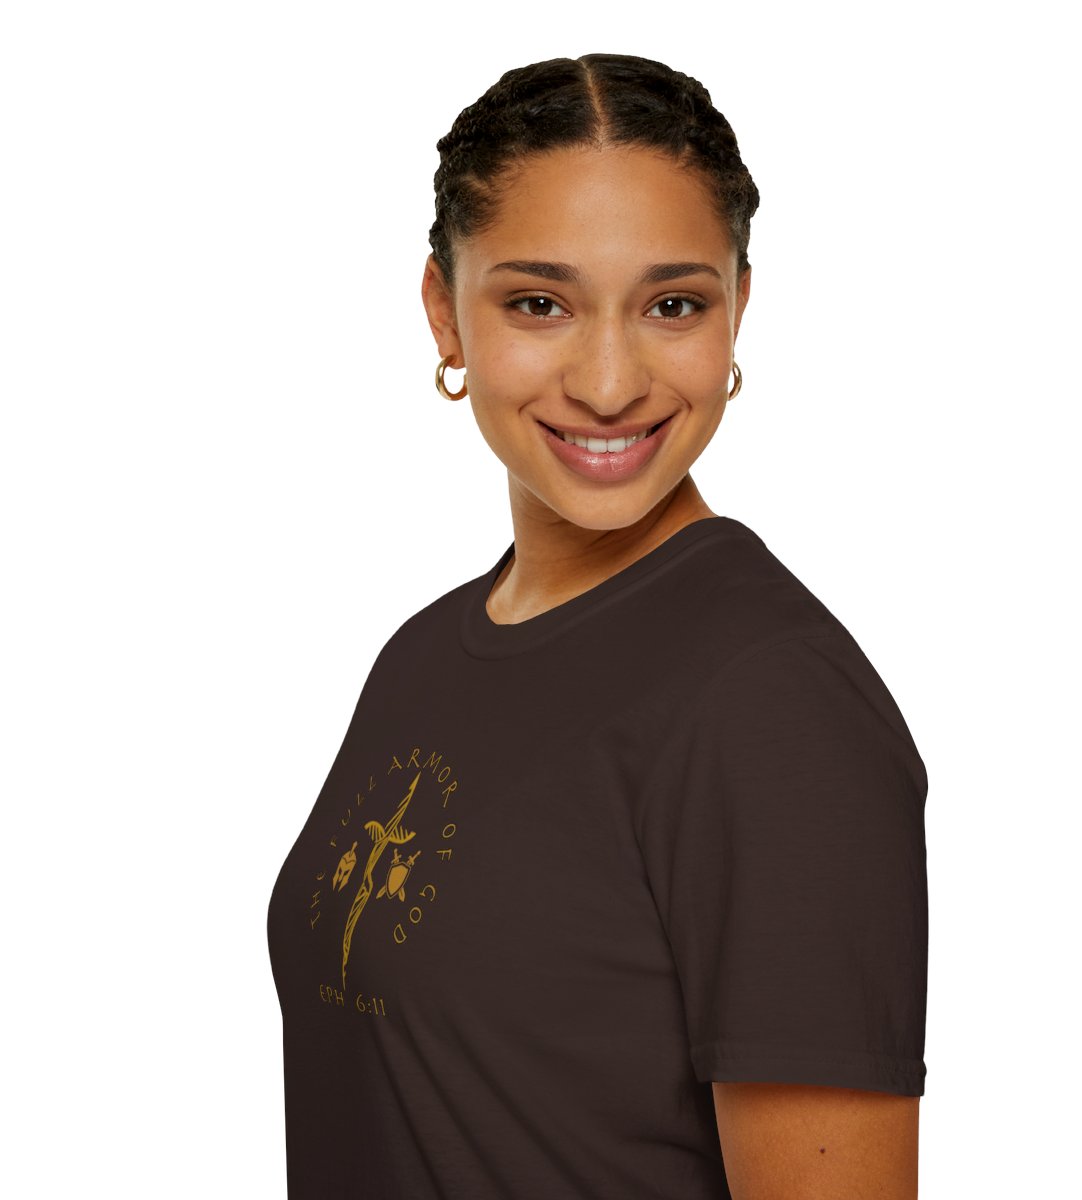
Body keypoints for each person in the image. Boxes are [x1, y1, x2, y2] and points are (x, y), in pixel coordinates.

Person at [267, 52, 928, 1199]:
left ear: (739, 309)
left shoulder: (773, 705)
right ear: (444, 312)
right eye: (540, 303)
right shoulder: (422, 655)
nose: (611, 382)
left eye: (674, 305)